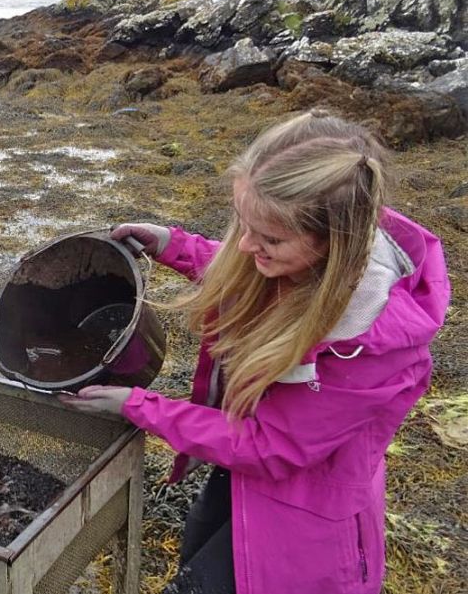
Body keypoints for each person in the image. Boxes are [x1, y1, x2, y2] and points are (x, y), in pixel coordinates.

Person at [60, 111, 450, 594]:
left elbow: (271, 446)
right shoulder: (297, 257)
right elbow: (250, 273)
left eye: (269, 238)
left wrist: (139, 406)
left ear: (335, 243)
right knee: (194, 560)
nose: (246, 245)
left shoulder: (371, 348)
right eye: (243, 224)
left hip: (302, 517)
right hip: (236, 472)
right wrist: (172, 245)